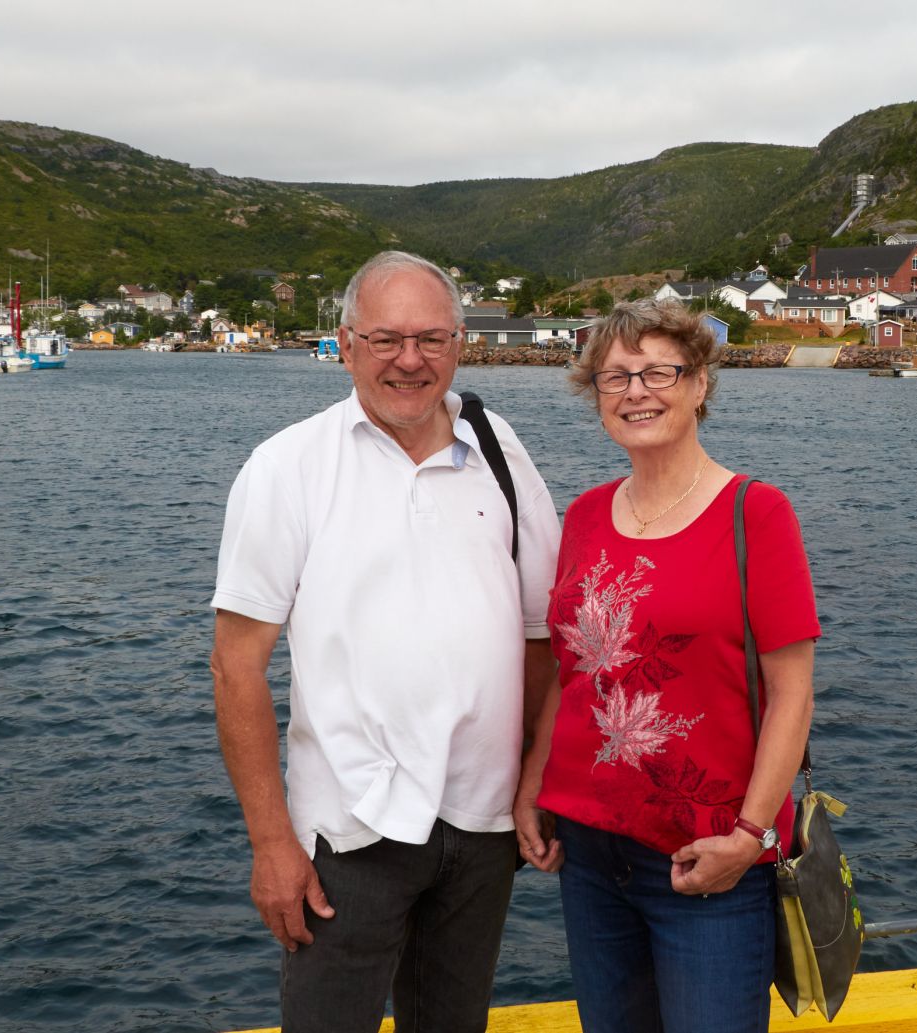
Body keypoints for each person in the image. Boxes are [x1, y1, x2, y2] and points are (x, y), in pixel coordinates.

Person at [210, 250, 560, 1033]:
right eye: (386, 339)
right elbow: (236, 667)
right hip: (350, 832)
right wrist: (272, 844)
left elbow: (545, 638)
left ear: (460, 344)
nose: (410, 359)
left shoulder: (499, 450)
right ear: (344, 344)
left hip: (484, 824)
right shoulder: (287, 467)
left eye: (432, 338)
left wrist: (537, 777)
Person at [513, 299, 819, 1033]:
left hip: (711, 859)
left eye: (658, 371)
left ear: (700, 383)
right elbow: (570, 670)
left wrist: (747, 838)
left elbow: (793, 693)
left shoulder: (755, 513)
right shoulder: (584, 515)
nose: (636, 392)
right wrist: (532, 787)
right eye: (614, 377)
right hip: (589, 853)